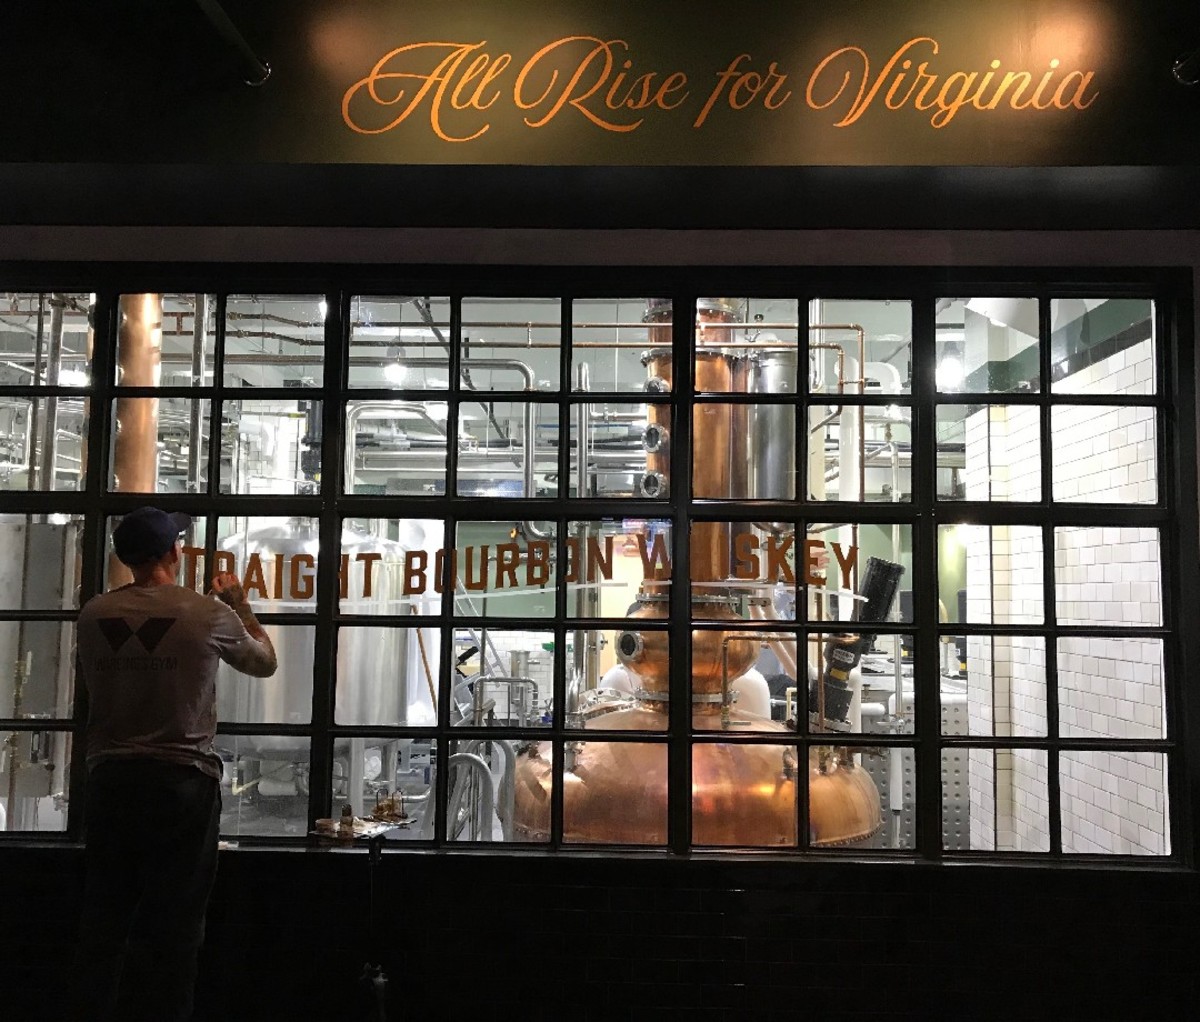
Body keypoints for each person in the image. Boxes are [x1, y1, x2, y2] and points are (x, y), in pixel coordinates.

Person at [69, 506, 278, 1022]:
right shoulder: (204, 613)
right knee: (177, 924)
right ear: (172, 553)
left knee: (105, 918)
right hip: (181, 781)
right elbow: (265, 662)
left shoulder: (94, 614)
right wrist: (239, 602)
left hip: (110, 779)